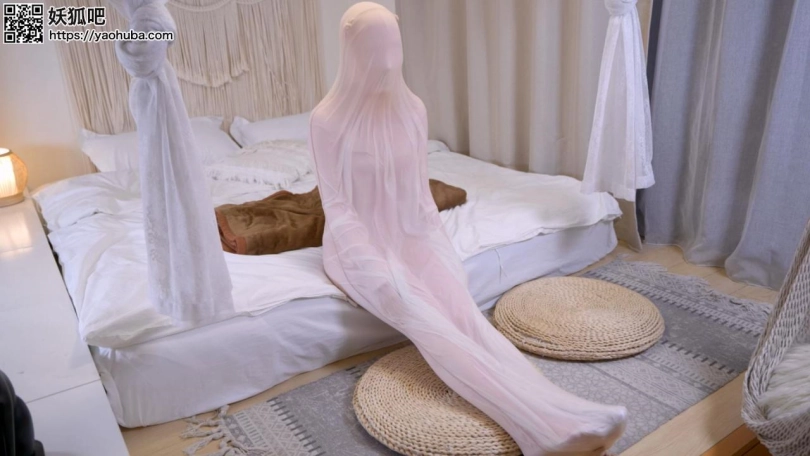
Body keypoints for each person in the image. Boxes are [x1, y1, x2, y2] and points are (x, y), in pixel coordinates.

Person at [309, 3, 627, 455]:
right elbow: (339, 210)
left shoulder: (412, 110)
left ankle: (568, 411)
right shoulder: (326, 121)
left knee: (464, 310)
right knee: (425, 316)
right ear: (353, 52)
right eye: (376, 54)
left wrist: (437, 248)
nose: (387, 64)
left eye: (393, 52)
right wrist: (377, 263)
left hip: (410, 234)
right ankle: (539, 430)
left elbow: (420, 198)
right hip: (352, 249)